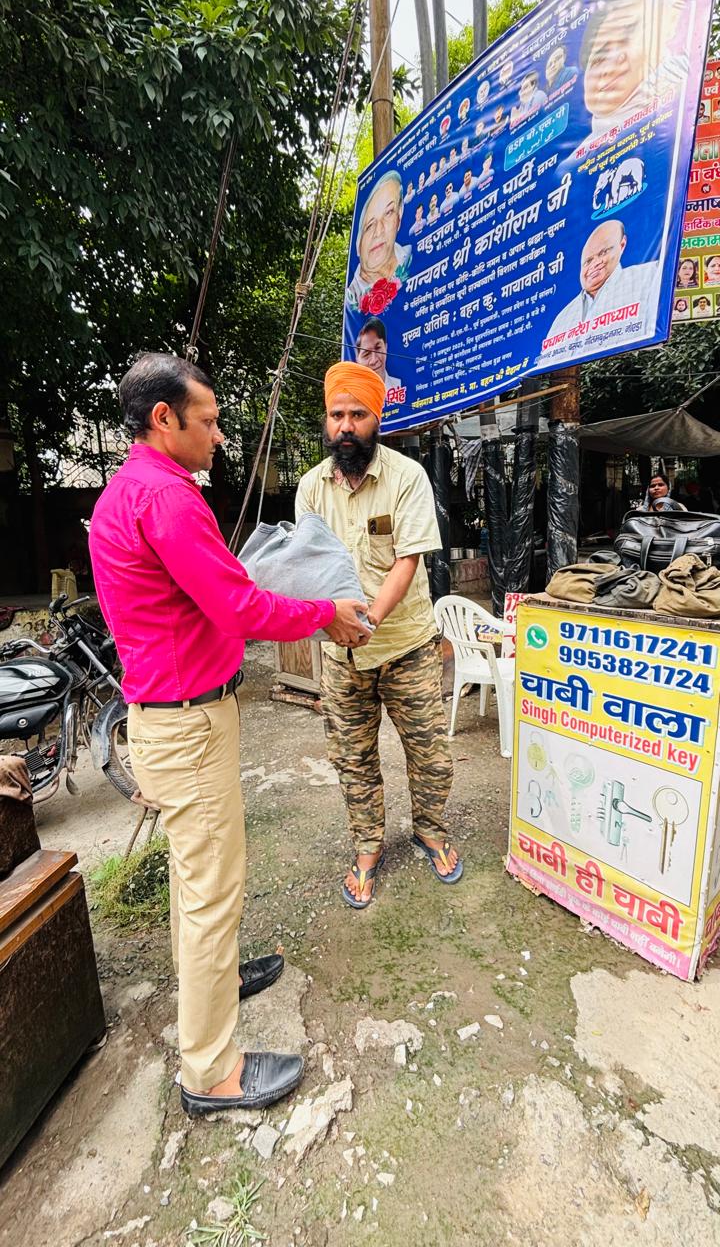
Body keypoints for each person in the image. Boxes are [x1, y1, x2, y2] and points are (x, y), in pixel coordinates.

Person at [89, 353, 371, 1118]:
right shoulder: (168, 502)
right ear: (163, 419)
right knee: (213, 887)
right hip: (187, 722)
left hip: (164, 715)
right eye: (207, 421)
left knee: (196, 874)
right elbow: (240, 607)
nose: (218, 435)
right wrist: (324, 615)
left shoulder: (127, 492)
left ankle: (210, 977)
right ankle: (210, 1073)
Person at [296, 363, 462, 908]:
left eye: (358, 415)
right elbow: (307, 569)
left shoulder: (407, 476)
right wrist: (333, 622)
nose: (346, 426)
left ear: (378, 417)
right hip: (340, 654)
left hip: (407, 644)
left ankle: (431, 830)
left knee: (430, 751)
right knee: (353, 756)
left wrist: (365, 622)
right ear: (327, 419)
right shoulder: (310, 488)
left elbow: (408, 561)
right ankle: (367, 847)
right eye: (337, 414)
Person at [578, 0, 690, 146]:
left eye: (628, 35)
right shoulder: (572, 165)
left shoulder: (684, 91)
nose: (609, 67)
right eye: (598, 59)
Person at [541, 219, 659, 347]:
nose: (595, 263)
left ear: (622, 245)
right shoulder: (561, 320)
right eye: (588, 261)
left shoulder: (650, 276)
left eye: (603, 252)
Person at [346, 171, 411, 311]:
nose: (379, 231)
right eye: (369, 225)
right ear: (357, 244)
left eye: (388, 213)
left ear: (399, 215)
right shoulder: (351, 298)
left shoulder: (412, 255)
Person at [355, 317, 401, 391]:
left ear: (385, 347)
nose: (374, 360)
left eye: (378, 348)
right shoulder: (353, 397)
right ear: (357, 360)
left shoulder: (400, 386)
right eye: (366, 354)